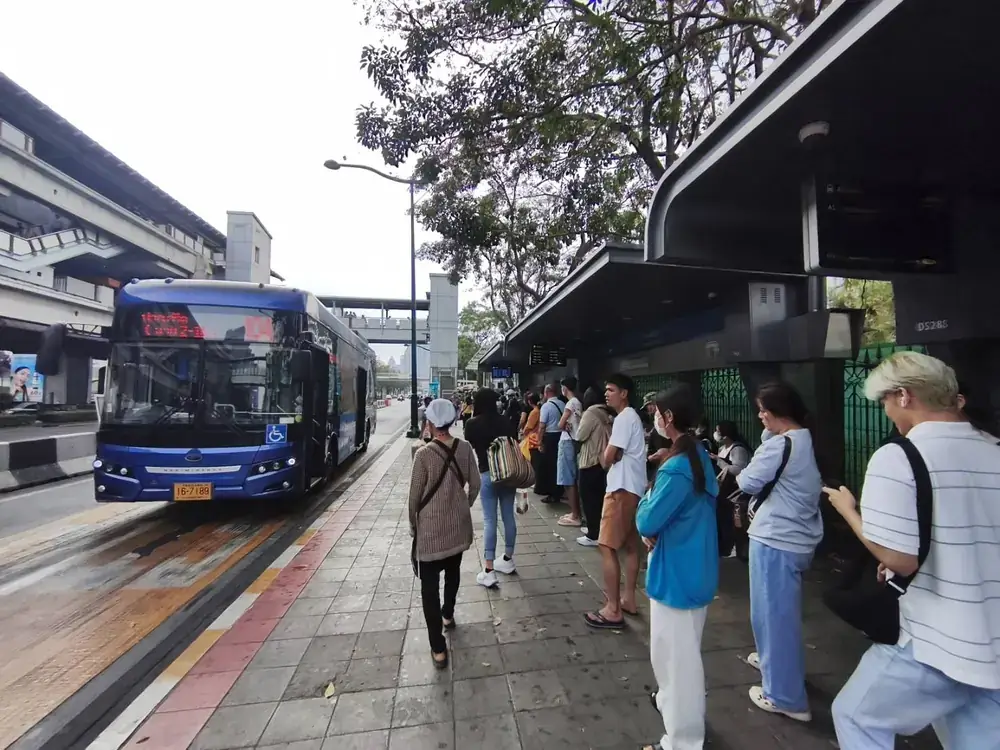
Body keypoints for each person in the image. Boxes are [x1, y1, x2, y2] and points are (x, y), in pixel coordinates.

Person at [824, 352, 1000, 749]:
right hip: (993, 637)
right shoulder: (993, 448)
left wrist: (849, 513)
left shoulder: (900, 455)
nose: (886, 412)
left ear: (903, 396)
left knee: (856, 716)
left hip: (940, 640)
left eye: (884, 401)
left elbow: (899, 558)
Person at [637, 384, 720, 750]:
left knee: (677, 665)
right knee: (681, 657)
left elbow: (646, 520)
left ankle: (684, 740)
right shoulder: (698, 457)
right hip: (694, 570)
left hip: (676, 577)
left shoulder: (676, 469)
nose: (655, 417)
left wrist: (646, 504)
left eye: (658, 412)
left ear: (668, 418)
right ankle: (677, 715)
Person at [736, 381, 823, 721]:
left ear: (773, 413)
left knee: (774, 615)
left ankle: (785, 696)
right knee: (777, 614)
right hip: (795, 537)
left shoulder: (779, 446)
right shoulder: (803, 437)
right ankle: (775, 663)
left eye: (762, 412)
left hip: (776, 539)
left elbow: (747, 482)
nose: (760, 417)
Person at [408, 398, 481, 667]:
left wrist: (414, 527)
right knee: (453, 572)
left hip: (430, 533)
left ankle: (438, 649)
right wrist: (465, 505)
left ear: (429, 423)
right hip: (457, 529)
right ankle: (448, 614)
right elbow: (476, 484)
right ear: (452, 421)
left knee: (429, 589)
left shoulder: (423, 455)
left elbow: (414, 498)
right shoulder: (465, 448)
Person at [585, 373, 646, 629]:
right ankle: (629, 599)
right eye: (606, 390)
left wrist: (607, 452)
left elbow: (607, 459)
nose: (607, 394)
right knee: (631, 546)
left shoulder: (623, 418)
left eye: (611, 389)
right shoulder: (632, 417)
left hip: (620, 489)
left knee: (607, 546)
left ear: (624, 393)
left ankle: (612, 609)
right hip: (634, 488)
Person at [464, 388, 519, 588]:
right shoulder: (505, 420)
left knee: (489, 520)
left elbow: (469, 439)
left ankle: (488, 570)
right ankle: (507, 559)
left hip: (487, 474)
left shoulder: (473, 423)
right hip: (508, 474)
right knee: (508, 516)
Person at [575, 386, 614, 547]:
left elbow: (580, 435)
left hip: (590, 460)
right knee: (599, 498)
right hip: (603, 460)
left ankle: (593, 534)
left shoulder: (590, 412)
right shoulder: (607, 412)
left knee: (588, 498)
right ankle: (598, 529)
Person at [713, 420, 751, 558]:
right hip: (722, 490)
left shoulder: (738, 449)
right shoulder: (722, 448)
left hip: (734, 491)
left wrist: (719, 462)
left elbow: (738, 469)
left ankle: (733, 547)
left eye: (718, 431)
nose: (716, 434)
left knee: (730, 519)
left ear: (726, 435)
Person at [556, 376, 584, 526]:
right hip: (573, 442)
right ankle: (576, 513)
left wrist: (563, 424)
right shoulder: (578, 403)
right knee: (572, 477)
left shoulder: (570, 403)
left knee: (567, 479)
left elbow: (561, 424)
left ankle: (575, 515)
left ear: (565, 388)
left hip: (566, 442)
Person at [534, 383, 566, 501]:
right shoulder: (563, 404)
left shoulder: (546, 406)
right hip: (561, 436)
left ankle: (551, 493)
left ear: (546, 393)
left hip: (550, 438)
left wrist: (539, 442)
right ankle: (560, 490)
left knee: (549, 466)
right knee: (558, 465)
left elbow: (542, 426)